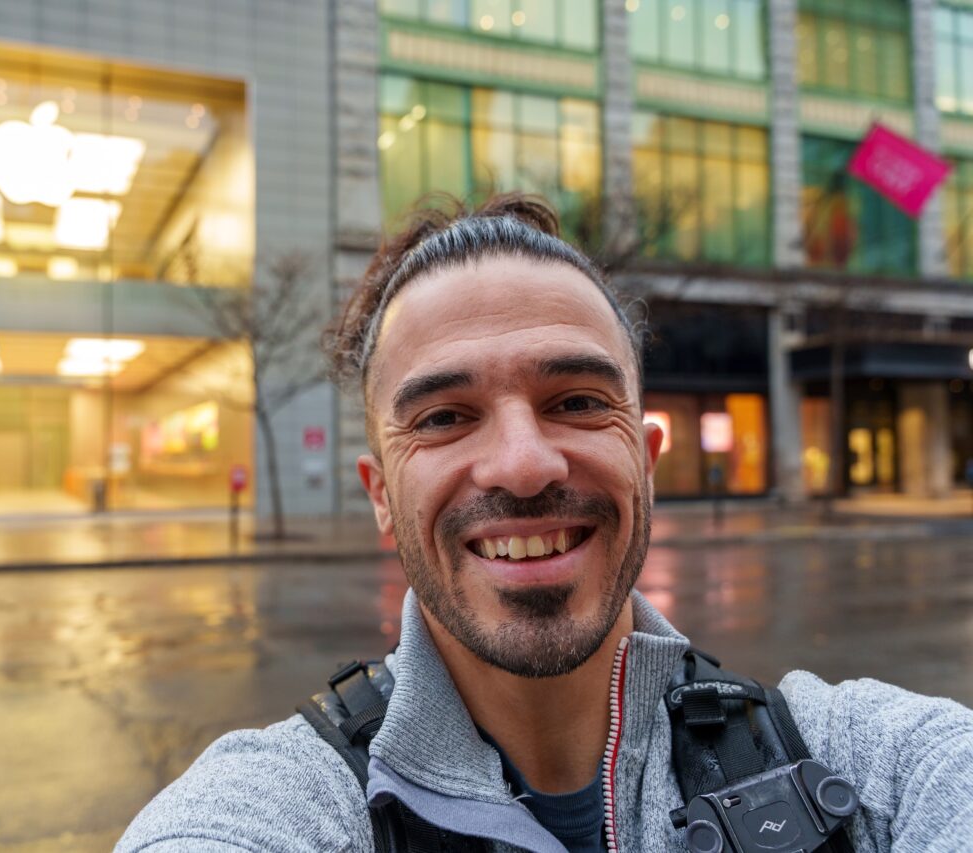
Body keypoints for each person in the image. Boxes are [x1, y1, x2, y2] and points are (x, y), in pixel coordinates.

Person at [117, 194, 973, 852]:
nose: (524, 465)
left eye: (575, 401)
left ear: (647, 453)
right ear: (380, 492)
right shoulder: (276, 805)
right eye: (446, 417)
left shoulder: (865, 764)